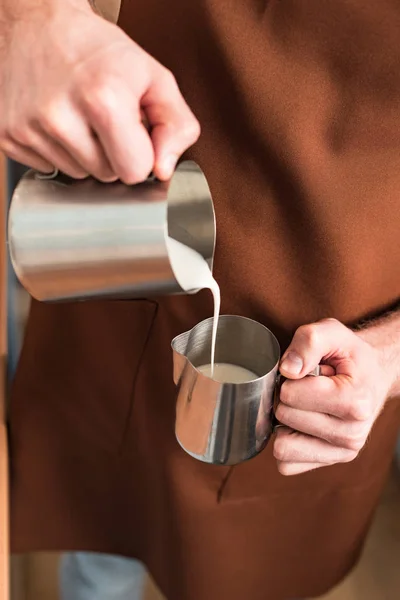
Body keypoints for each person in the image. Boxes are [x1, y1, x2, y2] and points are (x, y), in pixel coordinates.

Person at [2, 0, 400, 599]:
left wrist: (390, 354)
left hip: (336, 328)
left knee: (241, 572)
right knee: (101, 533)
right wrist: (25, 17)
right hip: (137, 193)